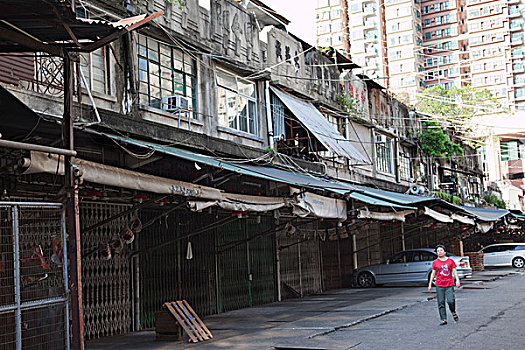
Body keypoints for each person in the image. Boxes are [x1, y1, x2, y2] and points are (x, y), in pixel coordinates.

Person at [427, 244, 461, 325]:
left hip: (449, 283)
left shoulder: (450, 261)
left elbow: (454, 271)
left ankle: (453, 312)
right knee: (441, 302)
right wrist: (430, 284)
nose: (440, 252)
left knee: (450, 300)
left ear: (445, 251)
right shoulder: (435, 262)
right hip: (439, 284)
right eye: (438, 251)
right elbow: (433, 273)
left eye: (441, 250)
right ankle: (443, 319)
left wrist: (457, 280)